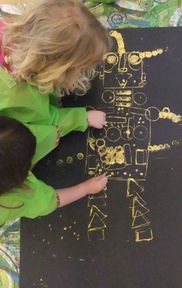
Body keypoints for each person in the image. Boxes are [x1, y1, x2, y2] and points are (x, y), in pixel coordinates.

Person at [0, 0, 111, 225]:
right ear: (56, 69)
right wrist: (81, 118)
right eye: (80, 69)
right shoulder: (16, 190)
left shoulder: (13, 35)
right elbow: (42, 120)